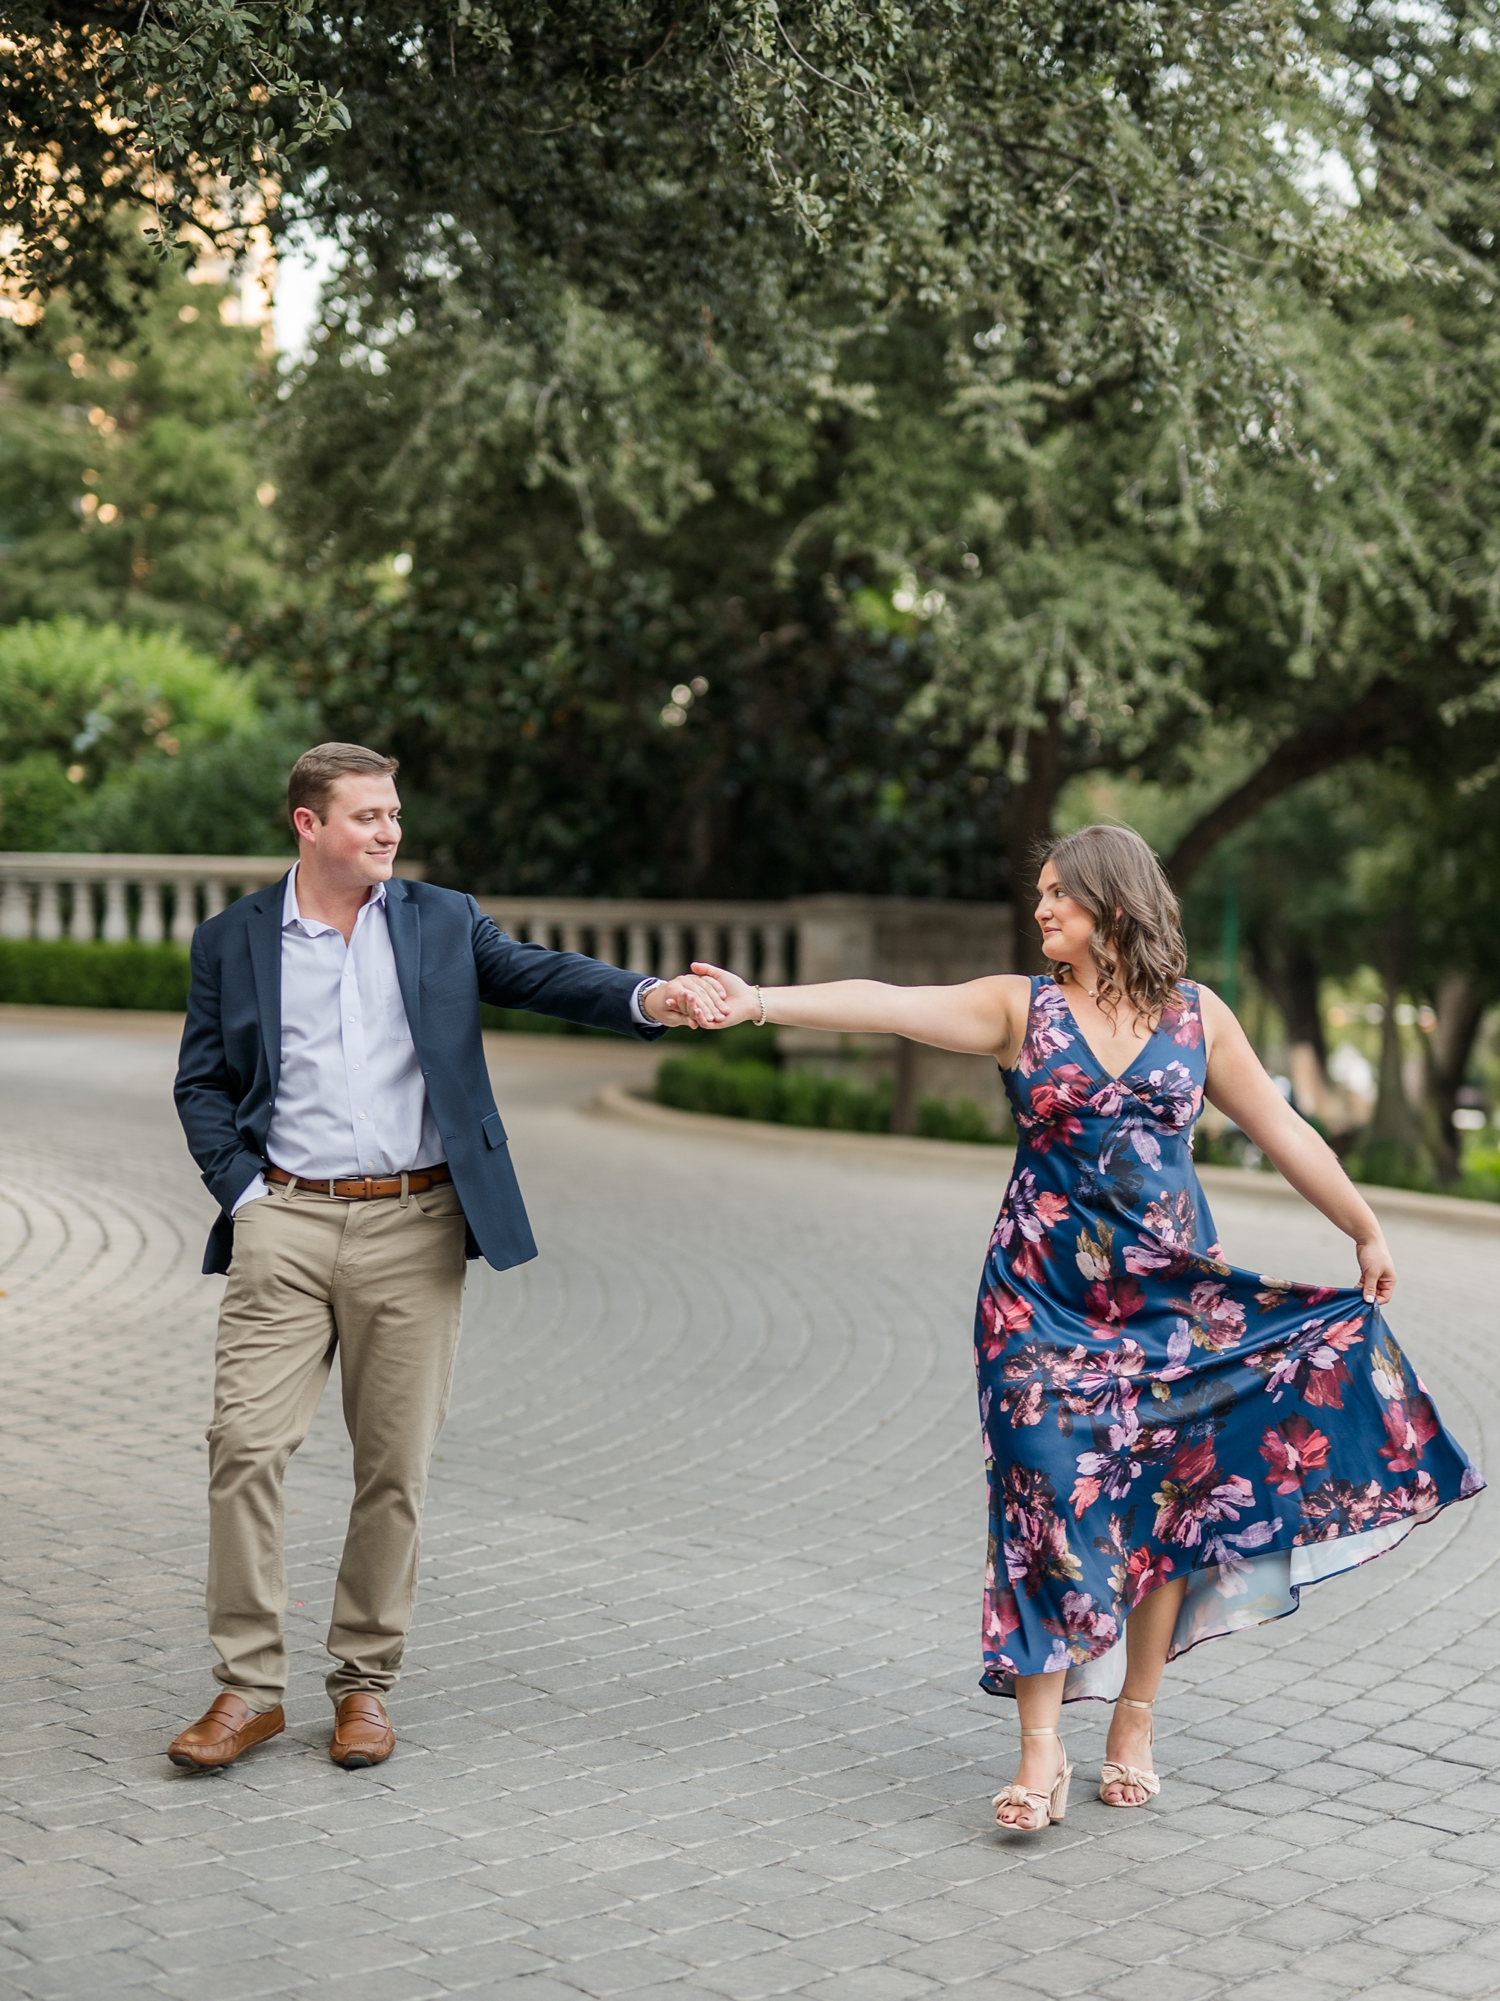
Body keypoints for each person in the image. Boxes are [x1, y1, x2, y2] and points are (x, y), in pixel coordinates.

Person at [691, 825, 1483, 1831]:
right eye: (1040, 895)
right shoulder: (1020, 1008)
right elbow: (890, 1006)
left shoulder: (1199, 1021)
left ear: (1114, 903)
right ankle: (1039, 1752)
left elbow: (1282, 1129)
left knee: (1169, 1505)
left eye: (1059, 894)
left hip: (1171, 1306)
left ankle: (1135, 1721)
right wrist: (756, 1001)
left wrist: (1363, 1226)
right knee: (1040, 1498)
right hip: (1036, 1306)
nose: (1041, 911)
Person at [169, 742, 728, 1771]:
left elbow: (542, 975)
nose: (387, 831)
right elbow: (201, 1082)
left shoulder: (439, 918)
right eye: (366, 816)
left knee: (394, 1468)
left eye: (392, 814)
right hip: (285, 1219)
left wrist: (650, 998)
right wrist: (245, 1195)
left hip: (412, 1225)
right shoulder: (234, 939)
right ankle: (246, 1689)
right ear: (308, 824)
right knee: (243, 1448)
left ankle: (364, 1686)